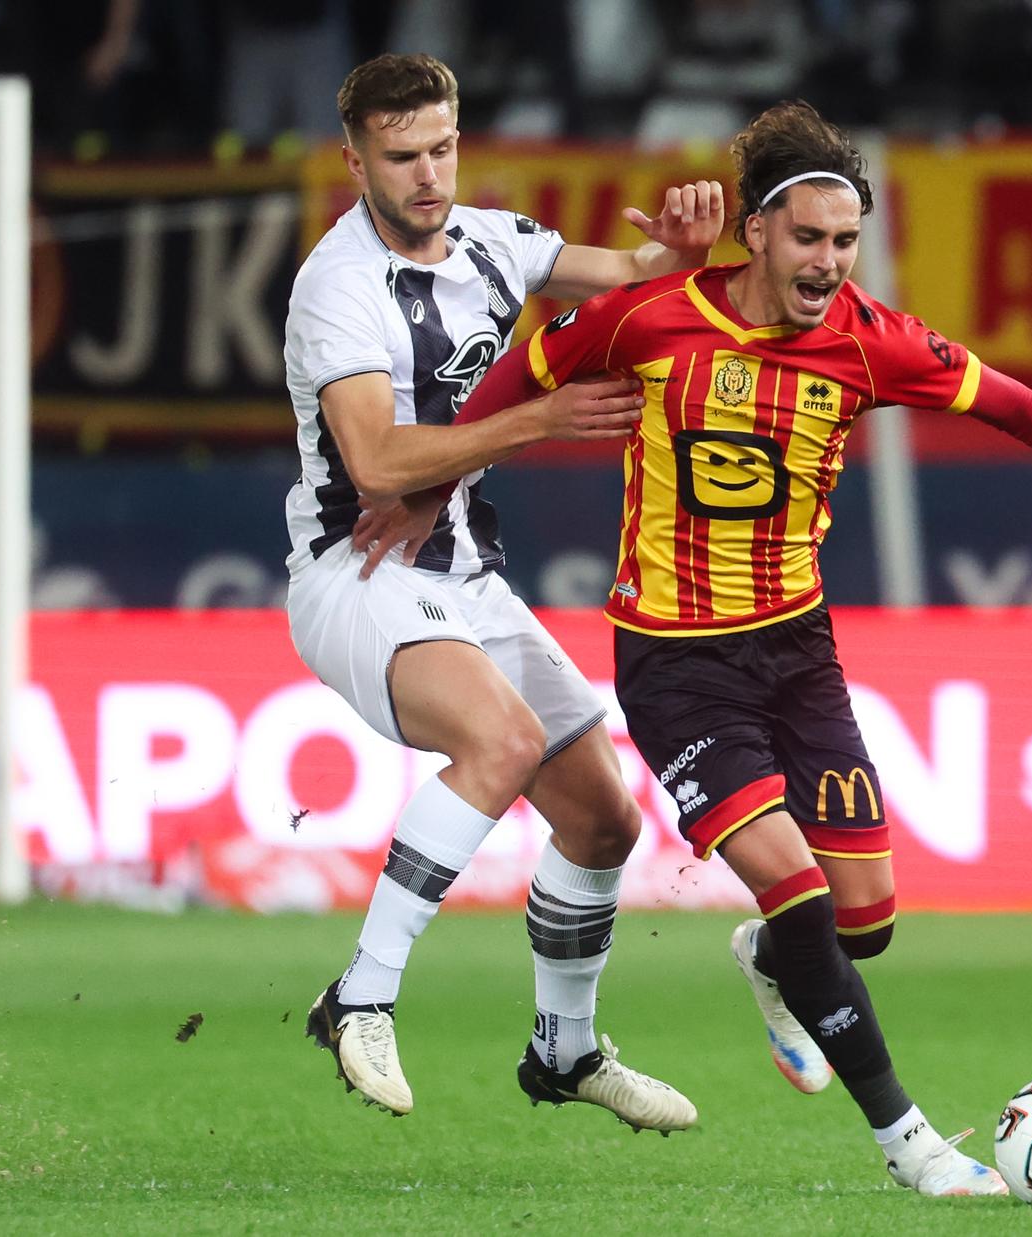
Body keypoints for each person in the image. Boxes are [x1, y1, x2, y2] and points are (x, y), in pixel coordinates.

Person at [356, 100, 1032, 1196]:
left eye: (845, 240)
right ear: (758, 233)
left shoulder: (871, 340)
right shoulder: (650, 316)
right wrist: (430, 486)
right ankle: (912, 1146)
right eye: (809, 238)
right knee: (796, 888)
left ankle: (772, 965)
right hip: (677, 658)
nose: (828, 262)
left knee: (862, 919)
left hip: (798, 652)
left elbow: (1018, 407)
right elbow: (521, 382)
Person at [285, 51, 725, 1133]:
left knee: (602, 817)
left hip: (464, 574)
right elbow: (379, 463)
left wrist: (677, 253)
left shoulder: (491, 238)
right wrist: (537, 419)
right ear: (355, 161)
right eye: (401, 157)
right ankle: (361, 993)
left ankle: (563, 1050)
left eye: (441, 147)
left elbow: (625, 271)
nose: (427, 174)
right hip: (361, 570)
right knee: (500, 740)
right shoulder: (336, 287)